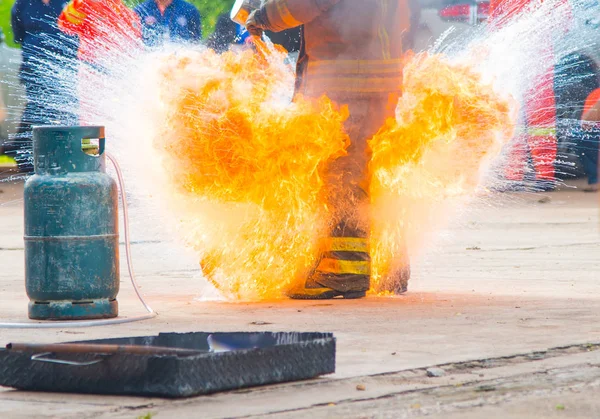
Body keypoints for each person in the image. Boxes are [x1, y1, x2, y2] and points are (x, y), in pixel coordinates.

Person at [245, 0, 413, 299]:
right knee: (370, 176)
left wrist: (262, 15)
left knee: (341, 180)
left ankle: (343, 273)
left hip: (347, 85)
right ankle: (390, 270)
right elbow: (402, 20)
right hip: (378, 83)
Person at [488, 0, 560, 191]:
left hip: (536, 64)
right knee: (515, 118)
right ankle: (515, 174)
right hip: (519, 61)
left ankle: (541, 175)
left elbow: (562, 19)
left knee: (539, 120)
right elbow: (494, 25)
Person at [10, 0, 78, 171]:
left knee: (66, 113)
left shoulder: (70, 3)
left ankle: (67, 159)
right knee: (36, 113)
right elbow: (19, 36)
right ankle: (29, 159)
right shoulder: (22, 4)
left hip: (66, 72)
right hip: (33, 71)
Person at [58, 0, 141, 123]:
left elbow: (136, 48)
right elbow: (65, 25)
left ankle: (110, 143)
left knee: (117, 120)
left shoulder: (129, 14)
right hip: (92, 71)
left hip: (119, 76)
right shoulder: (86, 4)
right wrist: (79, 4)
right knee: (91, 120)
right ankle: (91, 143)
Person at [134, 0, 201, 47]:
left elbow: (195, 42)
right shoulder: (140, 11)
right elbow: (135, 41)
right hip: (150, 62)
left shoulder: (189, 10)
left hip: (181, 62)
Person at [579, 88, 600, 192]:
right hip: (596, 134)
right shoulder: (596, 94)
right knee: (579, 135)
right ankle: (596, 180)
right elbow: (585, 124)